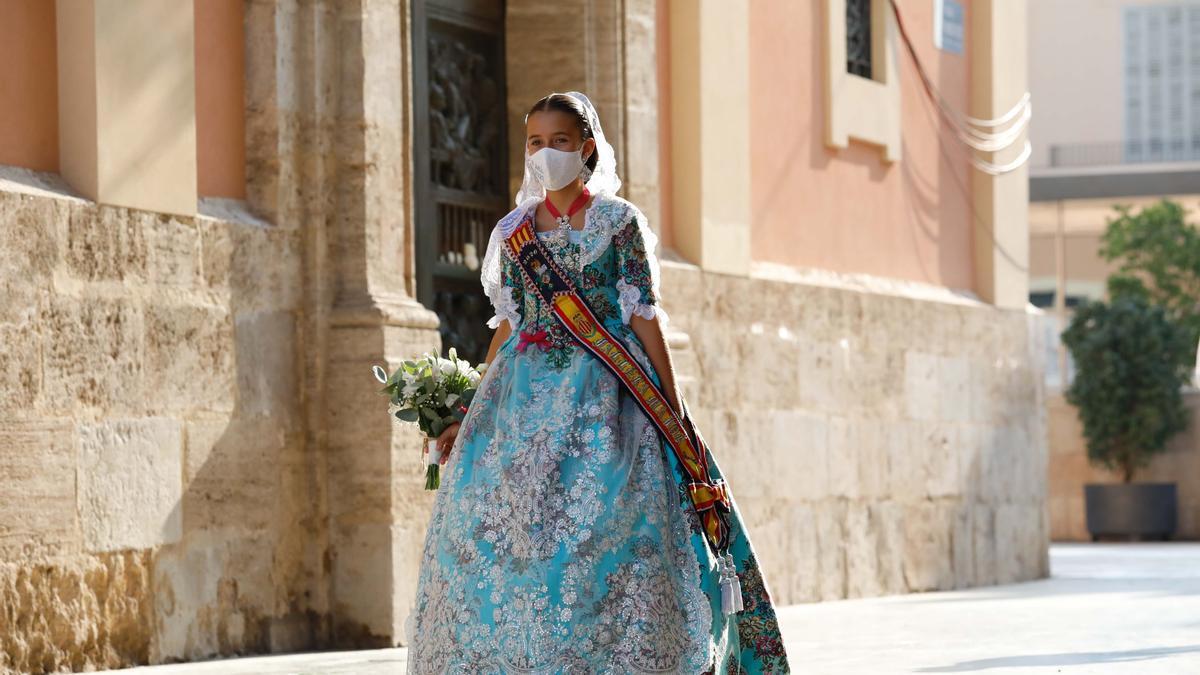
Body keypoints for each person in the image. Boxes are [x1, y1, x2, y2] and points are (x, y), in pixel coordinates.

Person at [405, 91, 790, 673]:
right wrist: (468, 406)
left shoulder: (619, 223)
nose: (546, 152)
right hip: (520, 400)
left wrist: (674, 408)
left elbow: (642, 313)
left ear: (586, 148)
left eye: (559, 141)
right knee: (505, 538)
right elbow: (508, 325)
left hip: (611, 398)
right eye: (535, 142)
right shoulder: (513, 233)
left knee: (604, 537)